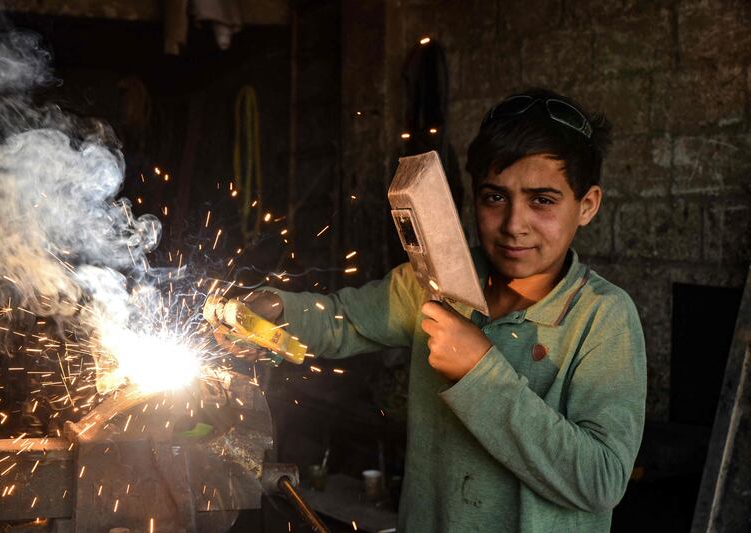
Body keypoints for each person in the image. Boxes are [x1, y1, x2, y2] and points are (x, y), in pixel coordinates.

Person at [222, 88, 646, 532]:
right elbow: (342, 322)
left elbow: (601, 479)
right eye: (494, 197)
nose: (514, 224)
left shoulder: (603, 317)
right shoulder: (437, 280)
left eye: (542, 200)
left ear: (587, 205)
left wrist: (479, 372)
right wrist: (274, 310)